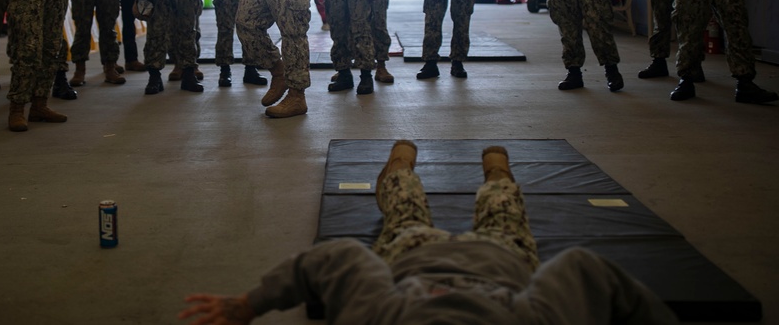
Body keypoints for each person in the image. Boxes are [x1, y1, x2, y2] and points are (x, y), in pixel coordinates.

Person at [179, 142, 679, 325]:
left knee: (403, 207)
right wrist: (248, 304)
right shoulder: (533, 317)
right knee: (502, 205)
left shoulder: (384, 314)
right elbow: (588, 271)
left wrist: (250, 304)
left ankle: (400, 164)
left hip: (412, 256)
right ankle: (495, 170)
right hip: (500, 260)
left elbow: (336, 261)